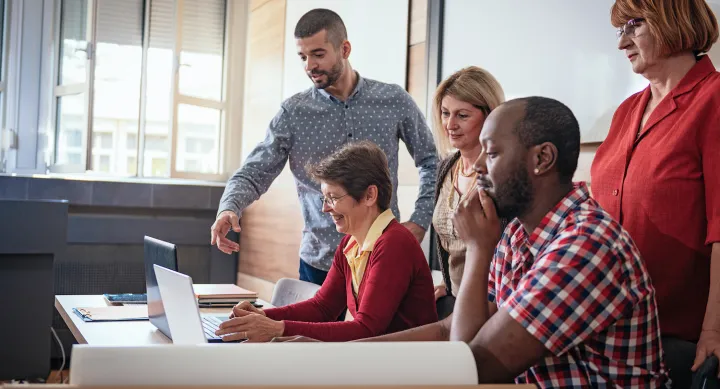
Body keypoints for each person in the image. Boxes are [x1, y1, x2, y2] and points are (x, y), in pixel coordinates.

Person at [446, 96, 666, 387]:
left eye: (492, 153)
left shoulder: (587, 245)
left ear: (542, 159)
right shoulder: (516, 233)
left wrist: (477, 248)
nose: (477, 167)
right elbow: (456, 328)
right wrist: (365, 349)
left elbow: (472, 369)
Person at [211, 9, 438, 286]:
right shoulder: (293, 113)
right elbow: (254, 172)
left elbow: (430, 160)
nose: (309, 66)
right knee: (315, 332)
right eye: (303, 57)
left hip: (383, 258)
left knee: (380, 332)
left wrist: (420, 221)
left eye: (318, 54)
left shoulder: (393, 100)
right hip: (320, 264)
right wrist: (229, 207)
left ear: (345, 48)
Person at [590, 0, 719, 385]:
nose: (622, 43)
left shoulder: (714, 100)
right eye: (619, 31)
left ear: (673, 21)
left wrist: (714, 330)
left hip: (678, 335)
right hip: (609, 328)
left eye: (632, 26)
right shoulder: (627, 110)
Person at [214, 141, 437, 342]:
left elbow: (367, 330)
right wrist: (261, 316)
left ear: (370, 195)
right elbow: (323, 307)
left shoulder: (394, 244)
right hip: (377, 360)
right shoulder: (350, 244)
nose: (325, 208)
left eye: (333, 198)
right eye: (324, 197)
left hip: (405, 366)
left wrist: (277, 328)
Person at [429, 66, 506, 313]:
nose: (450, 124)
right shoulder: (446, 168)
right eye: (445, 113)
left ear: (490, 116)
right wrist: (448, 282)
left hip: (492, 305)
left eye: (462, 115)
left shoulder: (502, 173)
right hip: (455, 299)